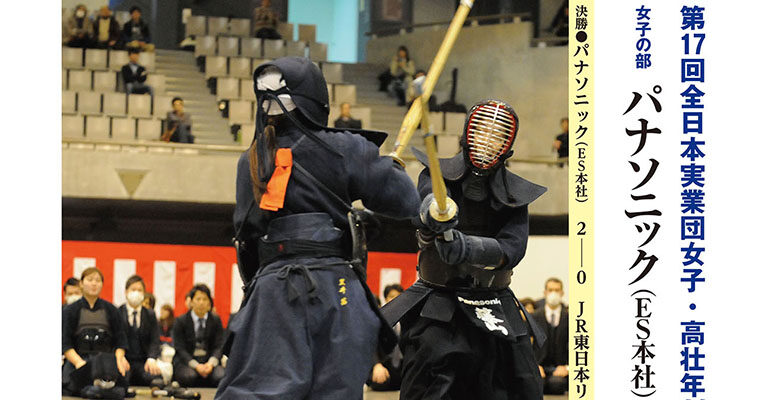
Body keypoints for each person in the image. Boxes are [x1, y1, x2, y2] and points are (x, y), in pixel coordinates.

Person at [214, 56, 420, 399]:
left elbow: (246, 239)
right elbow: (406, 203)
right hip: (336, 289)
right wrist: (391, 173)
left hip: (270, 294)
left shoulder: (251, 160)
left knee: (255, 391)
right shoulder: (345, 148)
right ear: (316, 96)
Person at [382, 99, 548, 399]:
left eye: (496, 135)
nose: (487, 139)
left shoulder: (516, 195)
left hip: (494, 303)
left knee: (522, 383)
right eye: (482, 130)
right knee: (430, 378)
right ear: (467, 132)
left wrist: (468, 247)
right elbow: (421, 209)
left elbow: (514, 247)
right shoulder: (435, 176)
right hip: (439, 301)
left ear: (507, 144)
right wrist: (431, 215)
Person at [62, 267, 130, 398]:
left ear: (102, 285)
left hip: (105, 361)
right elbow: (65, 344)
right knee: (73, 386)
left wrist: (120, 358)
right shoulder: (70, 310)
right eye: (90, 279)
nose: (94, 283)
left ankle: (99, 390)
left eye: (98, 280)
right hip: (79, 360)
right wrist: (78, 363)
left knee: (120, 389)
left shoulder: (112, 310)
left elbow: (121, 341)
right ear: (81, 284)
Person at [172, 284, 226, 387]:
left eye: (205, 299)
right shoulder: (180, 321)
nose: (201, 302)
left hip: (209, 362)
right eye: (198, 299)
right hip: (187, 362)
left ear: (209, 303)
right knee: (189, 377)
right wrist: (196, 366)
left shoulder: (215, 320)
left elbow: (219, 346)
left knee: (221, 376)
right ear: (191, 302)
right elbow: (180, 348)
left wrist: (210, 364)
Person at [118, 275, 163, 387]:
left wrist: (152, 358)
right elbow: (114, 339)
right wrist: (119, 357)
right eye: (133, 290)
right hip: (124, 360)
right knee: (120, 381)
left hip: (143, 362)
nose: (136, 293)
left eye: (139, 290)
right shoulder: (117, 313)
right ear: (126, 292)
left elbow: (155, 340)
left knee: (157, 380)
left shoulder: (150, 314)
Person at [532, 277, 569, 395]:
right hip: (539, 367)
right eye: (550, 290)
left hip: (560, 369)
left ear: (562, 293)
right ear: (545, 292)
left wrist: (567, 367)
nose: (553, 293)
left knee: (557, 385)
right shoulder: (534, 317)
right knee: (536, 385)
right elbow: (526, 344)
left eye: (557, 290)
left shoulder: (569, 317)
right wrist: (534, 365)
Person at [368, 284, 405, 392]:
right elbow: (370, 344)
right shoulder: (378, 319)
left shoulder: (410, 318)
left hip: (403, 367)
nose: (395, 299)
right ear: (385, 298)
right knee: (379, 384)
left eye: (399, 296)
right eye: (392, 296)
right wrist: (376, 365)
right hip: (383, 365)